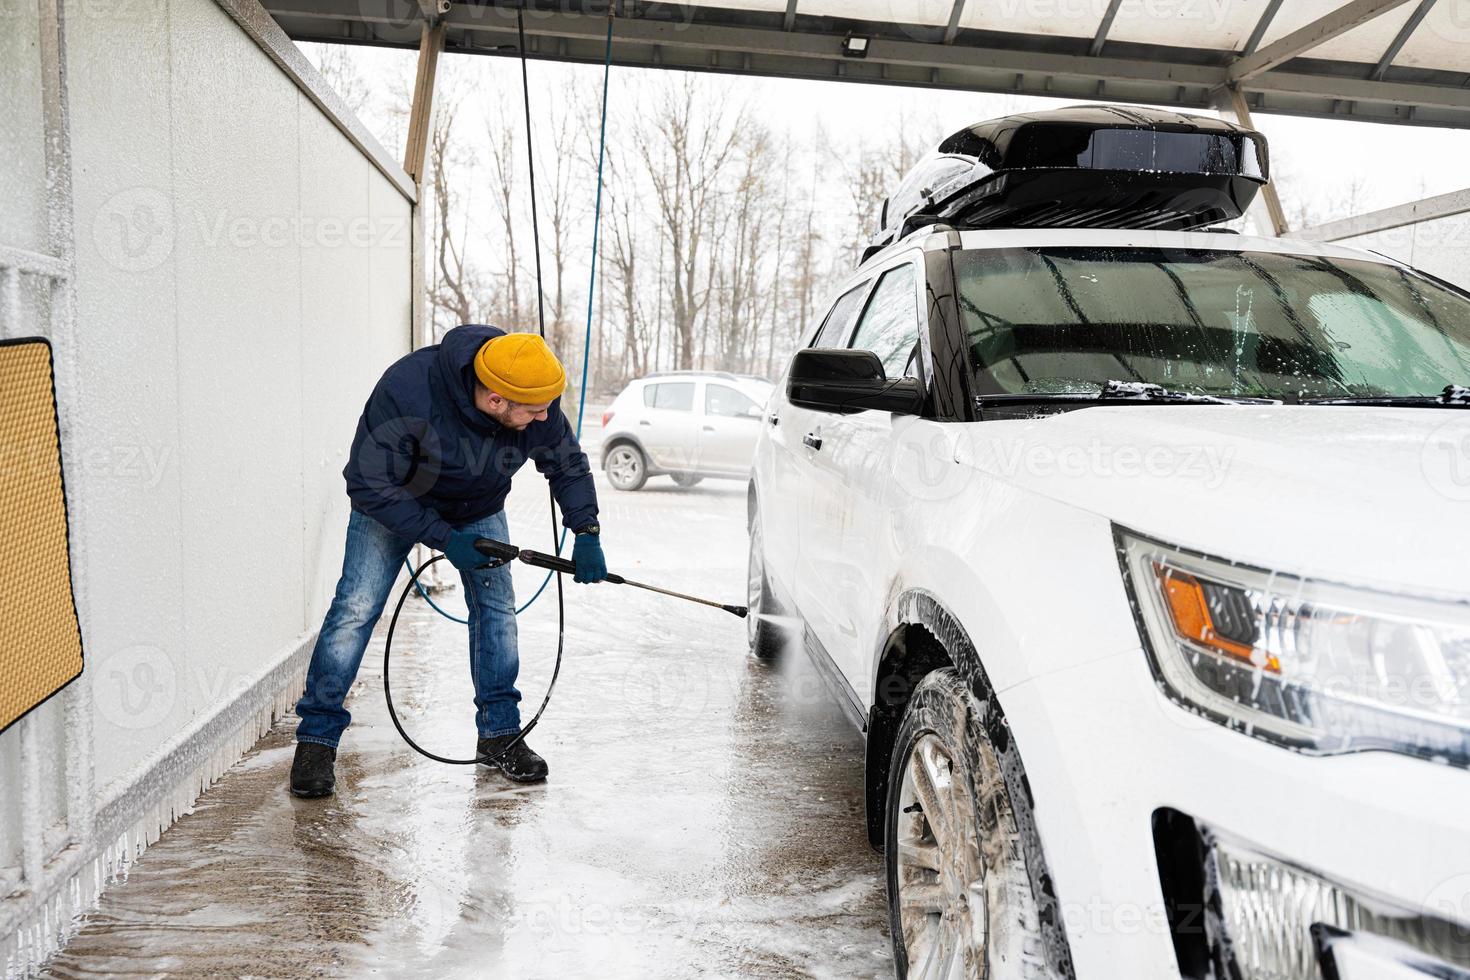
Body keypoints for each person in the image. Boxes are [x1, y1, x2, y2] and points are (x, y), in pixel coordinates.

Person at [289, 325, 606, 797]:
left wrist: (586, 529)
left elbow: (566, 463)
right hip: (391, 505)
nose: (545, 418)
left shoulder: (533, 396)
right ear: (496, 400)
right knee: (355, 611)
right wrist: (442, 537)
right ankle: (317, 738)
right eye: (534, 411)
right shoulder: (408, 390)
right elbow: (370, 484)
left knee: (497, 610)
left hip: (478, 507)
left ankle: (500, 734)